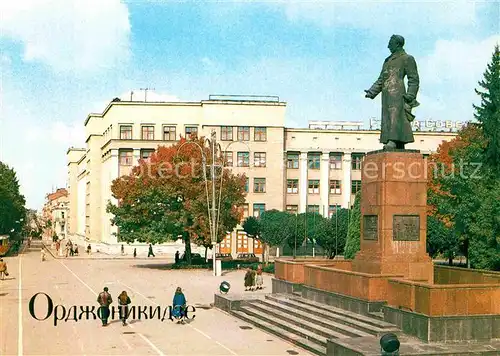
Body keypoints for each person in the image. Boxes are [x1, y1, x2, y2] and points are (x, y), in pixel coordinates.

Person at [365, 34, 420, 150]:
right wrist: (372, 91)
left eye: (391, 43)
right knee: (388, 117)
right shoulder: (387, 60)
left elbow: (413, 79)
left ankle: (393, 140)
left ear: (397, 44)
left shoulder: (407, 58)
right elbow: (382, 78)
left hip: (398, 93)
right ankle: (397, 143)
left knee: (395, 117)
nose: (388, 45)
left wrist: (411, 94)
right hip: (386, 94)